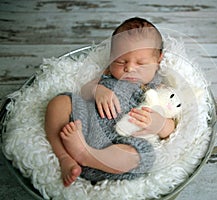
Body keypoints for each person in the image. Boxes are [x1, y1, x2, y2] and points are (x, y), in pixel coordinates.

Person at [44, 17, 177, 187]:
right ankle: (64, 158)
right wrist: (97, 90)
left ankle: (86, 155)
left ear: (158, 59)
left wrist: (159, 124)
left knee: (144, 154)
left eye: (141, 63)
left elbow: (171, 126)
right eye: (120, 61)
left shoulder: (157, 88)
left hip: (115, 148)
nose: (129, 68)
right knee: (61, 101)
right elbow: (84, 92)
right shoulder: (107, 74)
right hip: (81, 128)